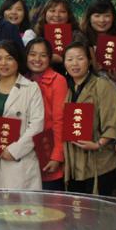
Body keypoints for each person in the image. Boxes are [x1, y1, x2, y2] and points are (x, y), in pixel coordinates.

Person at [62, 41, 116, 196]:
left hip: (100, 162)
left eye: (80, 58)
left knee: (99, 207)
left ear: (89, 61)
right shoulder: (67, 89)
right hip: (74, 163)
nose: (75, 63)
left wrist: (98, 144)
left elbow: (113, 119)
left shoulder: (102, 85)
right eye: (69, 59)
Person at [0, 40, 44, 189]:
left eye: (9, 58)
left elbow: (37, 125)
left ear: (18, 59)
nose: (3, 63)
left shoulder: (31, 88)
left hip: (20, 160)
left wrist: (15, 150)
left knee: (20, 202)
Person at [26, 37, 68, 191]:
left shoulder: (58, 80)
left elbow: (60, 121)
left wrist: (57, 155)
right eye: (32, 54)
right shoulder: (21, 79)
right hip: (25, 151)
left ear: (50, 58)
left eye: (43, 55)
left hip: (47, 149)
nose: (37, 59)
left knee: (50, 199)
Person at [80, 0, 116, 84]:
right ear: (89, 18)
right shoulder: (80, 37)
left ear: (113, 17)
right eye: (97, 16)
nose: (102, 20)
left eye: (107, 16)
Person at [34, 0, 84, 74]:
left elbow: (82, 62)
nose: (57, 15)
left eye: (62, 12)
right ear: (45, 14)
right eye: (52, 11)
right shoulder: (36, 34)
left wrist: (62, 60)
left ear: (68, 15)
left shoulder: (77, 35)